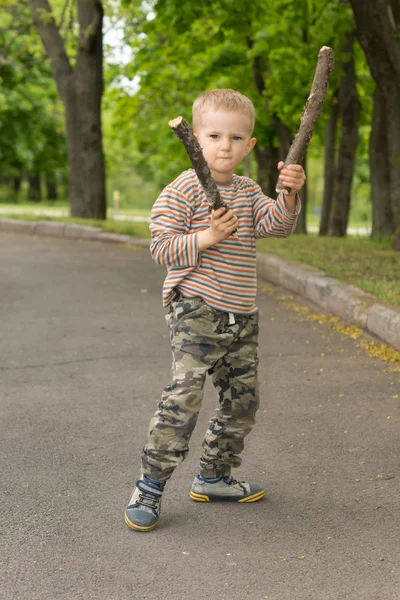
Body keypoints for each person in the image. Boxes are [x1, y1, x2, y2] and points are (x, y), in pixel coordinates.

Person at [125, 89, 306, 532]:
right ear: (197, 139)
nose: (225, 146)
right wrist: (206, 237)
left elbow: (276, 226)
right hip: (197, 307)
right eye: (214, 135)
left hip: (241, 314)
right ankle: (149, 485)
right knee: (184, 396)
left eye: (236, 137)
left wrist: (287, 194)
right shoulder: (182, 189)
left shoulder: (247, 191)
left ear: (251, 145)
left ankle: (214, 475)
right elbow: (162, 248)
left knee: (243, 402)